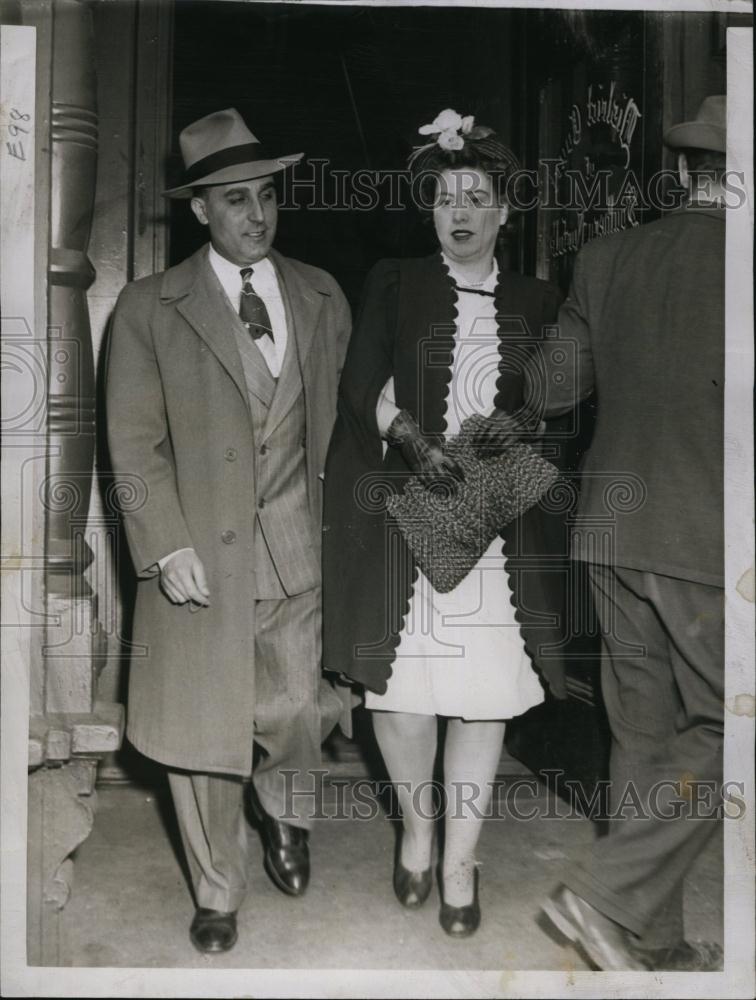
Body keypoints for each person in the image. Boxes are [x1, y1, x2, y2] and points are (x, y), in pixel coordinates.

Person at [106, 108, 351, 953]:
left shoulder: (322, 295)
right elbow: (133, 444)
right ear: (200, 211)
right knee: (203, 731)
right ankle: (217, 887)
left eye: (267, 196)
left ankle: (287, 809)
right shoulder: (147, 309)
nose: (258, 214)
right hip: (198, 555)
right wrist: (164, 544)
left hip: (297, 547)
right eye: (236, 200)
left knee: (292, 707)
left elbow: (340, 428)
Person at [323, 108, 566, 937]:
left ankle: (462, 858)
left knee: (481, 699)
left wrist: (522, 425)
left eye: (476, 196)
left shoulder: (539, 299)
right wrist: (409, 436)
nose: (458, 211)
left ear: (504, 210)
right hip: (407, 512)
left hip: (494, 531)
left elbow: (558, 404)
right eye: (444, 197)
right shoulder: (395, 280)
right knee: (400, 698)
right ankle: (418, 834)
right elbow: (361, 384)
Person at [540, 95, 728, 971]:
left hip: (608, 530)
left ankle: (649, 938)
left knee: (643, 735)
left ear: (685, 171)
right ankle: (605, 894)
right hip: (705, 538)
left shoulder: (607, 256)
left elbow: (548, 393)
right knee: (735, 723)